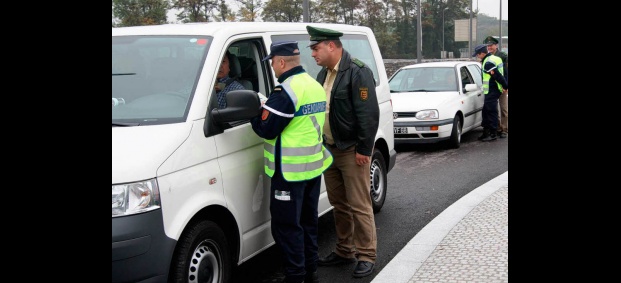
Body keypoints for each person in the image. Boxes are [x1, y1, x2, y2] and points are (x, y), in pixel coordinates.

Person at [250, 41, 333, 283]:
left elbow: (267, 128)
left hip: (288, 173)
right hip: (311, 168)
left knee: (287, 227)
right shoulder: (313, 85)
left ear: (282, 62)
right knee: (308, 222)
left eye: (273, 63)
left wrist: (257, 112)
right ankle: (310, 270)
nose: (273, 69)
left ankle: (295, 276)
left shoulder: (286, 91)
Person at [306, 25, 380, 278]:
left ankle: (366, 255)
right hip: (329, 150)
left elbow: (368, 115)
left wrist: (364, 149)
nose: (313, 53)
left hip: (351, 151)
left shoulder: (357, 72)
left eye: (316, 48)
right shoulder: (323, 75)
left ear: (331, 46)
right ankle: (345, 249)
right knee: (339, 203)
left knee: (360, 204)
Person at [472, 44, 508, 141]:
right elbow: (503, 72)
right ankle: (486, 131)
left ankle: (493, 133)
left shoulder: (488, 62)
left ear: (482, 53)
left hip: (493, 89)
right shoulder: (494, 58)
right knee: (486, 110)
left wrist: (505, 86)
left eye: (478, 55)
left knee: (491, 111)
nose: (477, 56)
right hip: (493, 90)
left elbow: (497, 76)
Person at [484, 36, 509, 138]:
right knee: (494, 109)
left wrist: (506, 85)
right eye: (488, 46)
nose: (489, 47)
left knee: (504, 109)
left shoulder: (503, 56)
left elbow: (506, 72)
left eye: (491, 45)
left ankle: (504, 129)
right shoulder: (487, 56)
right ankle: (497, 127)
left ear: (496, 45)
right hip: (492, 87)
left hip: (502, 86)